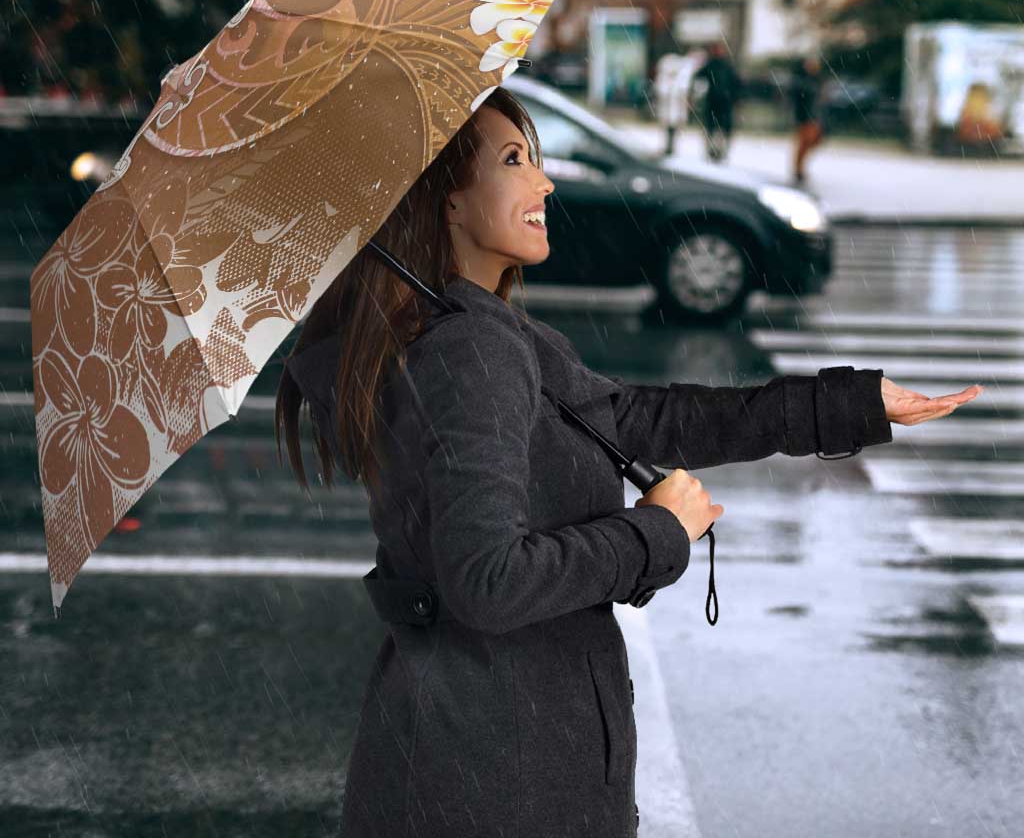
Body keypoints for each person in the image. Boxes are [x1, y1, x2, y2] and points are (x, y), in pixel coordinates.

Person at [275, 85, 979, 838]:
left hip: (479, 756)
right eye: (514, 160)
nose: (544, 182)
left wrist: (849, 405)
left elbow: (640, 419)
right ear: (445, 199)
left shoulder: (476, 332)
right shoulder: (469, 350)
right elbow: (487, 581)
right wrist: (655, 533)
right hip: (498, 776)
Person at [692, 40, 742, 163]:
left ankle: (719, 151)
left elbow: (736, 84)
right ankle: (713, 151)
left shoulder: (725, 66)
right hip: (715, 102)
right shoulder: (712, 65)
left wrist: (735, 98)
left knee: (720, 129)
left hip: (723, 102)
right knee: (713, 128)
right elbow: (698, 78)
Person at [790, 53, 826, 185]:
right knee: (804, 143)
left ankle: (800, 168)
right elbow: (799, 100)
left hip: (814, 117)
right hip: (805, 117)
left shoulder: (817, 80)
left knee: (812, 142)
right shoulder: (802, 81)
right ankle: (798, 169)